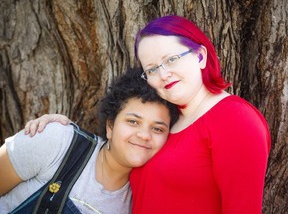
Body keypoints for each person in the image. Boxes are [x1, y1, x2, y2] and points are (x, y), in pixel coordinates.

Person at [24, 15, 271, 214]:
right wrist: (65, 131)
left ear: (200, 56)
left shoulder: (235, 120)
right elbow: (120, 152)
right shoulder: (167, 119)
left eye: (172, 59)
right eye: (152, 68)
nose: (163, 74)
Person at [0, 68, 179, 214]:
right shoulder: (58, 142)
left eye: (157, 129)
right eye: (133, 121)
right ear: (110, 126)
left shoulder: (141, 203)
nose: (144, 135)